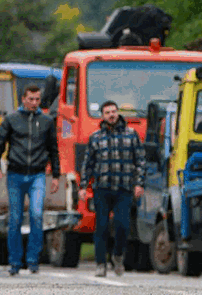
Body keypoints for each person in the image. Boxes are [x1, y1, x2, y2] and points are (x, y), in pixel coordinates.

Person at [0, 85, 60, 276]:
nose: (34, 103)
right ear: (23, 99)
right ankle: (14, 262)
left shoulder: (46, 121)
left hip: (37, 174)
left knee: (37, 215)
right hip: (15, 174)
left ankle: (33, 260)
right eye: (31, 99)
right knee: (15, 218)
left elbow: (53, 148)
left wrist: (56, 175)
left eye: (37, 100)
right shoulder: (11, 119)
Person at [77, 101, 145, 277]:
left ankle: (118, 255)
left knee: (122, 225)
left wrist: (139, 183)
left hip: (124, 188)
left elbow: (140, 162)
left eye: (114, 111)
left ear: (118, 113)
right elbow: (88, 164)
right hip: (102, 188)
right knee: (102, 226)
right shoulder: (96, 137)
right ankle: (101, 263)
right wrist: (83, 186)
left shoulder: (131, 135)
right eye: (107, 112)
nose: (111, 115)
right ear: (103, 116)